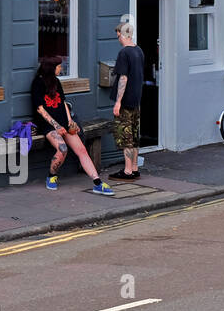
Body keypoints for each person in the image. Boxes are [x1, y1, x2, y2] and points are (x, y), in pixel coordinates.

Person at [32, 56, 113, 195]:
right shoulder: (38, 83)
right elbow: (40, 109)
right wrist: (56, 126)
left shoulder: (56, 81)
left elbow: (63, 103)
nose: (61, 68)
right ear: (51, 68)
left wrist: (70, 121)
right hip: (49, 125)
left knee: (81, 149)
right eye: (59, 66)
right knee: (62, 149)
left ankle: (97, 182)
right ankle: (51, 176)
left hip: (63, 121)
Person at [111, 19, 147, 180]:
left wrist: (118, 102)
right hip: (136, 99)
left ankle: (127, 171)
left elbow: (123, 78)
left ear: (123, 35)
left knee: (126, 136)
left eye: (118, 35)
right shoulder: (139, 51)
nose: (118, 39)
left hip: (126, 101)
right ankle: (134, 168)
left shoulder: (124, 53)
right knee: (134, 133)